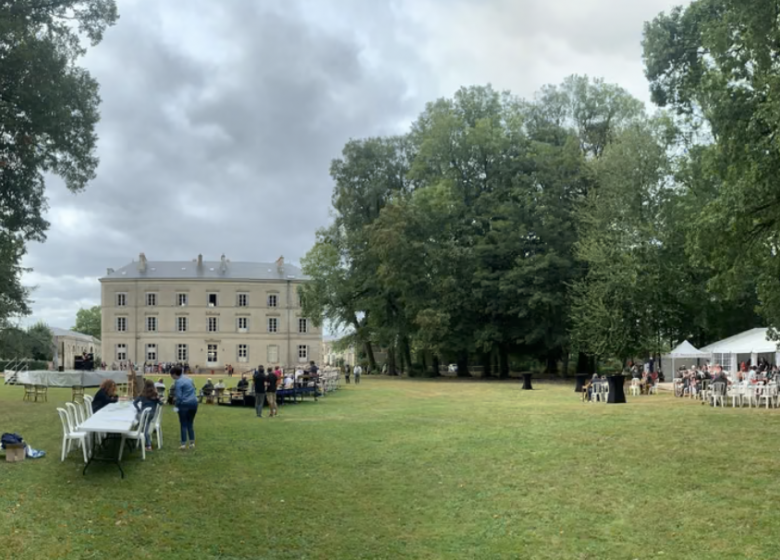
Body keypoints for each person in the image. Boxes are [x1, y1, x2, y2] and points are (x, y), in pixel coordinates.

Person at [170, 366, 198, 450]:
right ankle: (192, 443)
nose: (171, 377)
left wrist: (176, 406)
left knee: (183, 424)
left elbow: (179, 397)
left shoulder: (178, 382)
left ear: (175, 374)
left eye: (172, 375)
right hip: (194, 403)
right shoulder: (189, 379)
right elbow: (194, 389)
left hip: (184, 404)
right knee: (190, 423)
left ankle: (183, 444)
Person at [133, 380, 161, 451]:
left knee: (142, 424)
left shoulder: (142, 394)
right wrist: (158, 399)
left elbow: (135, 403)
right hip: (152, 414)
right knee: (145, 424)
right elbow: (161, 403)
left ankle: (148, 445)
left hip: (144, 414)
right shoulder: (154, 394)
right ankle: (140, 429)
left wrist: (139, 409)